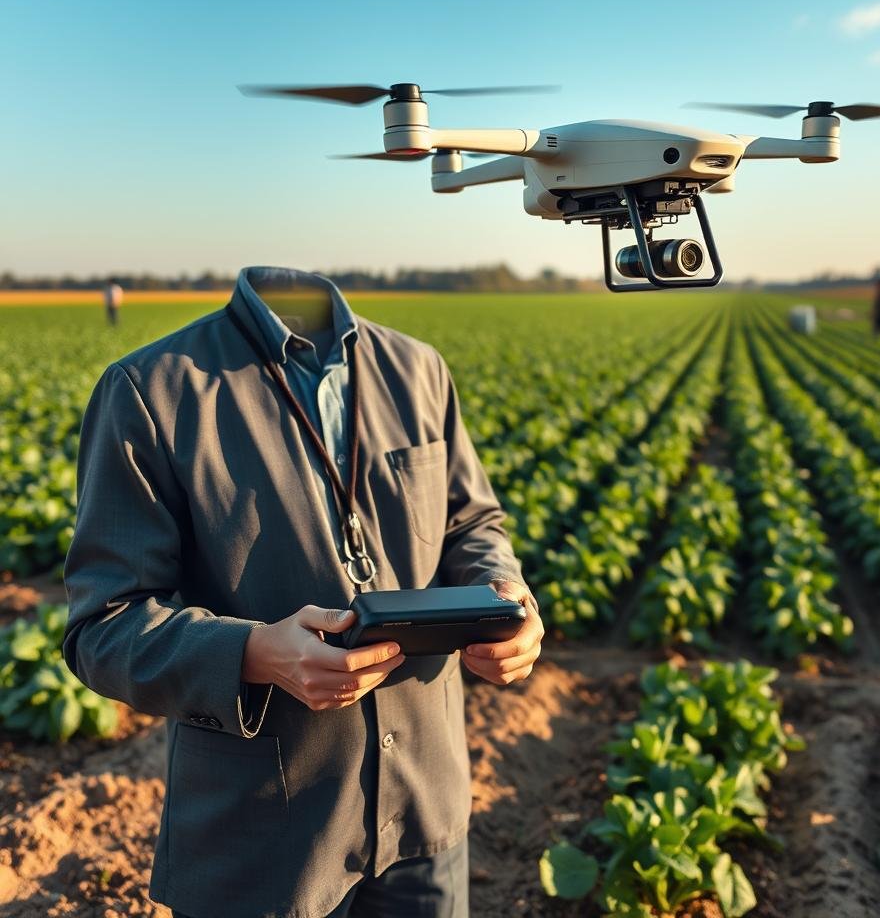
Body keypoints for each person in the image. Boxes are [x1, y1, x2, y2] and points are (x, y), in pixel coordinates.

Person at [62, 265, 544, 918]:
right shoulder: (148, 392)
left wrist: (503, 593)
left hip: (424, 813)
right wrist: (254, 653)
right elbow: (103, 625)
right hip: (259, 846)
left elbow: (472, 523)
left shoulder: (418, 368)